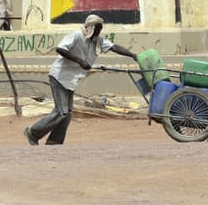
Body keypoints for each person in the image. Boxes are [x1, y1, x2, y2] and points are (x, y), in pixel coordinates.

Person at [23, 14, 137, 146]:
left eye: (100, 29)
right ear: (90, 27)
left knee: (68, 114)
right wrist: (80, 61)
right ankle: (33, 133)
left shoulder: (97, 40)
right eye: (97, 29)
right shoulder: (77, 35)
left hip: (71, 79)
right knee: (61, 112)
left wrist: (133, 55)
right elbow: (60, 49)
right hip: (59, 76)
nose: (99, 32)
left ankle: (54, 141)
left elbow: (114, 47)